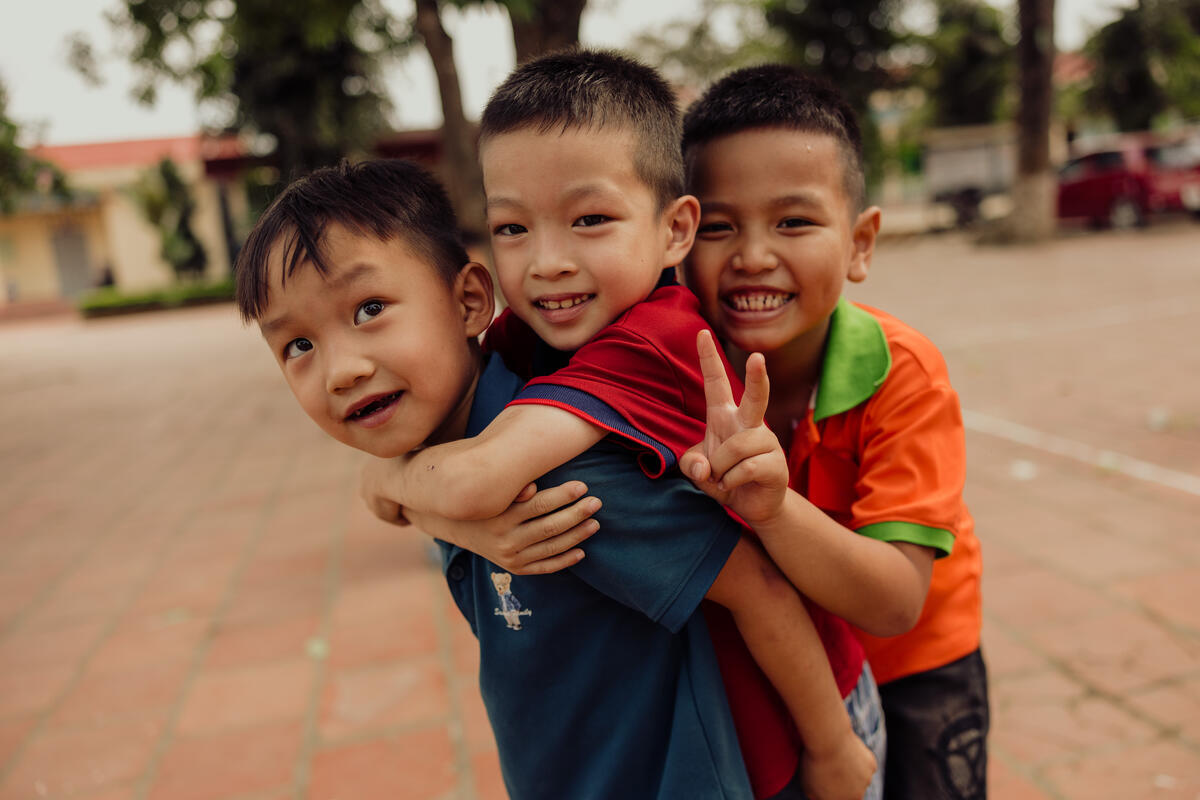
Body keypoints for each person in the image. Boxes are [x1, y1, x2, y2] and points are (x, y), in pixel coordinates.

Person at [234, 158, 868, 800]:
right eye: (297, 346)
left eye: (369, 308)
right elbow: (390, 494)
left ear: (470, 301)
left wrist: (833, 747)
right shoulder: (440, 448)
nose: (340, 370)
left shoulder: (563, 475)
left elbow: (759, 589)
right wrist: (433, 506)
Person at [360, 49, 883, 800]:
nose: (546, 262)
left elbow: (476, 476)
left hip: (806, 719)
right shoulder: (541, 332)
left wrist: (392, 477)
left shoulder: (656, 343)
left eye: (590, 220)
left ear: (675, 231)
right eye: (511, 228)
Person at [677, 65, 989, 800]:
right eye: (719, 226)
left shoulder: (902, 373)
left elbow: (894, 602)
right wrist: (408, 474)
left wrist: (774, 506)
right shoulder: (677, 363)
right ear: (677, 237)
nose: (753, 255)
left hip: (914, 662)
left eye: (793, 222)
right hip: (788, 662)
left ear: (860, 243)